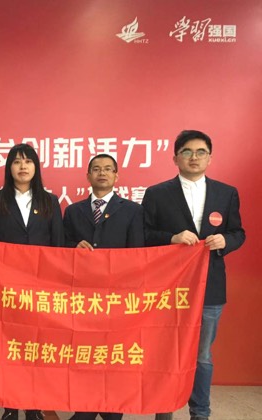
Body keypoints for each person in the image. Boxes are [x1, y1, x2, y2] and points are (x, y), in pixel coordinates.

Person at [142, 130, 245, 420]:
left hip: (209, 286)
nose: (194, 157)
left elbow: (238, 233)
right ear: (175, 158)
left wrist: (225, 241)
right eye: (187, 152)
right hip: (168, 288)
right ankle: (164, 412)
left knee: (202, 355)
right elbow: (144, 234)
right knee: (165, 353)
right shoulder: (157, 193)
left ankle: (200, 413)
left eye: (201, 152)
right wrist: (172, 238)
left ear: (210, 158)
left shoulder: (226, 193)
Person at [0, 143, 64, 420]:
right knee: (9, 347)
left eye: (28, 161)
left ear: (36, 167)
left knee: (36, 347)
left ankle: (34, 405)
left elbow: (58, 246)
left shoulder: (49, 201)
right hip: (5, 287)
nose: (22, 166)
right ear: (9, 168)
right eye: (17, 162)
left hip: (40, 288)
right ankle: (10, 406)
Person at [63, 153, 144, 420]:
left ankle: (112, 409)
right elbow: (61, 247)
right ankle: (86, 407)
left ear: (116, 176)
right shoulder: (73, 211)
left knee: (113, 353)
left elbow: (137, 253)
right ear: (88, 176)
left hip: (118, 295)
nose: (102, 173)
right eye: (96, 169)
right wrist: (73, 247)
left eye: (108, 169)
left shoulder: (132, 210)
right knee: (86, 352)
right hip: (83, 294)